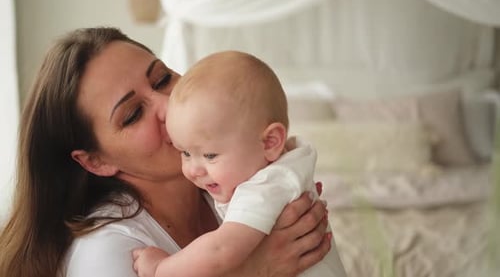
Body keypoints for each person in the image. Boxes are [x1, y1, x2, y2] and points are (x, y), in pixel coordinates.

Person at [0, 27, 332, 277]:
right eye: (132, 115)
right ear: (96, 161)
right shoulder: (107, 253)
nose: (168, 106)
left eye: (162, 80)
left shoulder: (232, 175)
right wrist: (253, 270)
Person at [132, 51, 346, 277]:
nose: (193, 170)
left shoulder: (266, 186)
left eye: (210, 155)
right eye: (185, 152)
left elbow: (220, 250)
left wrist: (160, 269)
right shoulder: (275, 168)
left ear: (270, 142)